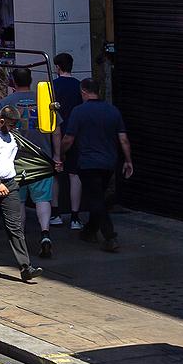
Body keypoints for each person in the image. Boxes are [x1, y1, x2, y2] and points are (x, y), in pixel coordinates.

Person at [63, 78, 132, 253]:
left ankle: (110, 236)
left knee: (95, 200)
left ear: (84, 92)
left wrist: (60, 154)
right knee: (98, 198)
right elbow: (123, 139)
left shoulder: (79, 111)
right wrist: (128, 160)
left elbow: (68, 139)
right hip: (109, 163)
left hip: (88, 162)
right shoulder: (113, 110)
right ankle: (89, 231)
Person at [2, 68, 60, 259]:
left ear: (13, 81)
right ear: (31, 79)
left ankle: (21, 241)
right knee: (43, 199)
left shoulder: (5, 103)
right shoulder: (45, 102)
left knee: (18, 201)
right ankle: (45, 234)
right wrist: (57, 156)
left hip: (15, 160)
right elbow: (56, 131)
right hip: (42, 158)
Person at [0, 104, 40, 282]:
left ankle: (25, 266)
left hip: (10, 183)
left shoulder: (11, 135)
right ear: (2, 120)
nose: (14, 129)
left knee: (15, 224)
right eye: (12, 125)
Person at [51, 52, 86, 230]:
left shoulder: (52, 87)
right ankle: (75, 216)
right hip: (75, 134)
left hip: (56, 133)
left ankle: (56, 213)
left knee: (55, 173)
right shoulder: (80, 87)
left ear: (57, 67)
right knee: (74, 174)